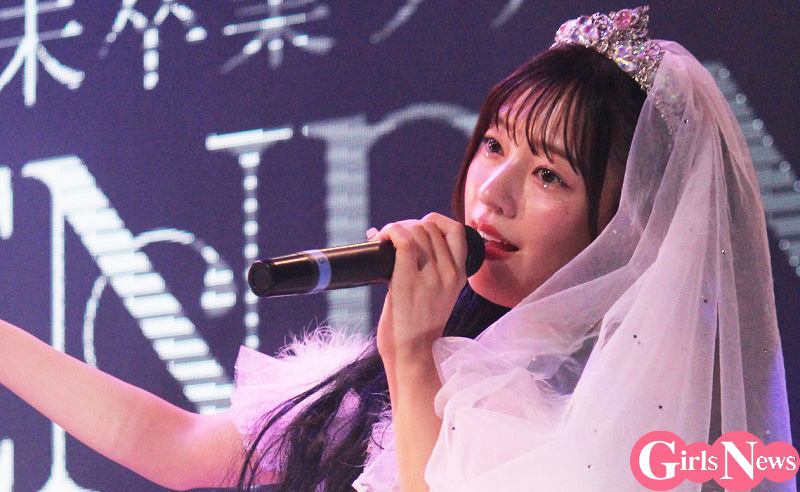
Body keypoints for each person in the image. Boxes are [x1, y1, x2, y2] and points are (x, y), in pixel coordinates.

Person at [0, 5, 794, 491]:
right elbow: (182, 451)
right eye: (494, 146)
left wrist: (413, 361)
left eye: (550, 174)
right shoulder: (438, 363)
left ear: (624, 223)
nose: (493, 192)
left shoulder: (625, 421)